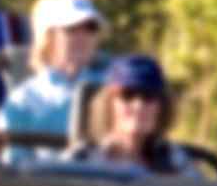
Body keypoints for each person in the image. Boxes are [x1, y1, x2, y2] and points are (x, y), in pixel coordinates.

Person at [0, 0, 106, 161]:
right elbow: (15, 169)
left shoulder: (116, 91)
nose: (82, 35)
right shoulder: (23, 102)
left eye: (90, 27)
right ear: (48, 37)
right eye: (70, 28)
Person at [65, 54, 200, 175]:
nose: (139, 105)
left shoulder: (176, 162)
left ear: (161, 106)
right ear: (108, 104)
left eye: (149, 96)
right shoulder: (81, 160)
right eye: (127, 95)